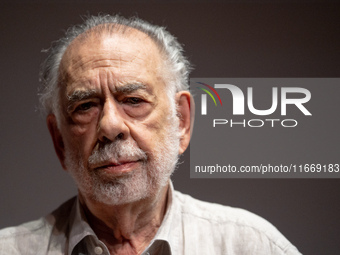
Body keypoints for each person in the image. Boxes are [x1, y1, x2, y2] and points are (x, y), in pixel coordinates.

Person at [0, 14, 301, 255]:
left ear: (181, 120)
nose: (110, 126)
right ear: (60, 142)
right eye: (86, 106)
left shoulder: (252, 246)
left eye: (133, 101)